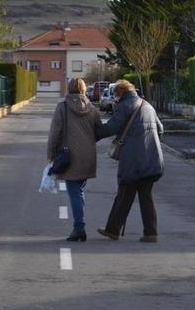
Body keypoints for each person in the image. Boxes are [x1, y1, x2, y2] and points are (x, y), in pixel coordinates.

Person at [97, 80, 164, 243]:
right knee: (146, 197)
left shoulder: (124, 106)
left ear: (119, 93)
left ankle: (112, 230)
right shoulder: (148, 105)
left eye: (116, 94)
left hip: (132, 161)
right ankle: (151, 233)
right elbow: (161, 129)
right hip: (151, 160)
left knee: (124, 195)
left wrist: (93, 133)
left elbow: (111, 127)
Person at [47, 78, 103, 242]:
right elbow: (99, 131)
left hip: (69, 156)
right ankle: (79, 225)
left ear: (69, 88)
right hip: (88, 155)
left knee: (74, 192)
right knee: (78, 191)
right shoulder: (92, 108)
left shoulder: (63, 107)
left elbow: (55, 132)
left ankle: (79, 228)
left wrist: (51, 154)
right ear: (84, 89)